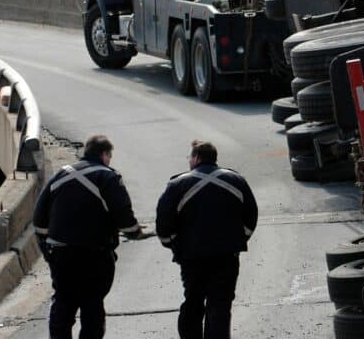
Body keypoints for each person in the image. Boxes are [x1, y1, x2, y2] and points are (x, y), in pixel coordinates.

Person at [33, 135, 151, 339]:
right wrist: (135, 232)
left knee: (62, 304)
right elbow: (124, 215)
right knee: (92, 305)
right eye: (110, 156)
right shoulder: (108, 177)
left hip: (62, 254)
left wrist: (46, 247)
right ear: (104, 154)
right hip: (95, 256)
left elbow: (39, 217)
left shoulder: (61, 175)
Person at [157, 140, 258, 339]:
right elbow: (251, 216)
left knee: (193, 301)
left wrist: (173, 244)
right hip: (227, 255)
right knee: (220, 305)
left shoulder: (177, 184)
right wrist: (238, 239)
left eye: (190, 157)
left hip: (191, 257)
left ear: (196, 158)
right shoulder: (236, 180)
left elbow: (164, 223)